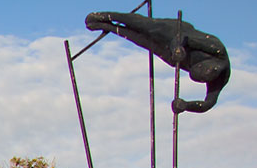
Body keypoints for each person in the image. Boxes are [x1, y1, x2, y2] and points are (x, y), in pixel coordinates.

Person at [86, 12, 230, 113]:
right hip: (175, 35)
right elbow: (183, 37)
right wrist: (178, 48)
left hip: (175, 57)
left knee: (143, 41)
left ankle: (109, 27)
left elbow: (207, 104)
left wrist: (186, 105)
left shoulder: (219, 79)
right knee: (145, 26)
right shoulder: (215, 49)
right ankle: (105, 16)